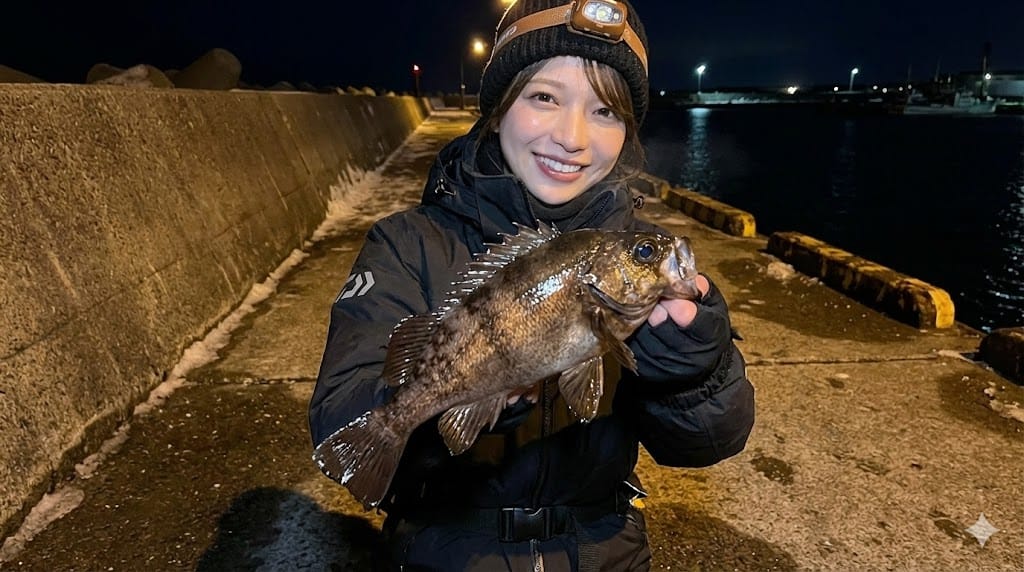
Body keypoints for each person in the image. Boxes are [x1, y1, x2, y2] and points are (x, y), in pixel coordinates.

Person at [308, 0, 755, 569]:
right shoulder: (406, 244)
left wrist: (696, 370)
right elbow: (339, 414)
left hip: (606, 551)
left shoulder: (631, 265)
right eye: (544, 97)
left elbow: (709, 443)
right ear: (497, 109)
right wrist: (462, 394)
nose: (572, 137)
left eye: (606, 111)